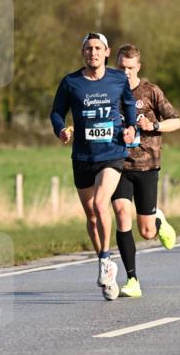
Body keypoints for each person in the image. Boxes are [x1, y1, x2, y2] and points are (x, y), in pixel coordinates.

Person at [51, 32, 137, 300]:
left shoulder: (118, 79)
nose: (93, 53)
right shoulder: (71, 82)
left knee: (101, 204)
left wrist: (131, 127)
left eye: (98, 48)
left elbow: (129, 104)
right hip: (83, 156)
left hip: (112, 152)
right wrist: (61, 130)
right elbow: (56, 112)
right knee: (91, 215)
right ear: (83, 53)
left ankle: (105, 260)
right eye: (88, 49)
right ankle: (105, 262)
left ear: (107, 52)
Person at [110, 44, 180, 297]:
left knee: (147, 231)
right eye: (121, 67)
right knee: (121, 213)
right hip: (117, 163)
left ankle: (157, 219)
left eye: (130, 67)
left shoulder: (150, 91)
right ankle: (132, 280)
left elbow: (176, 121)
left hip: (147, 165)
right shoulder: (109, 91)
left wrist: (154, 125)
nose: (126, 72)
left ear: (138, 67)